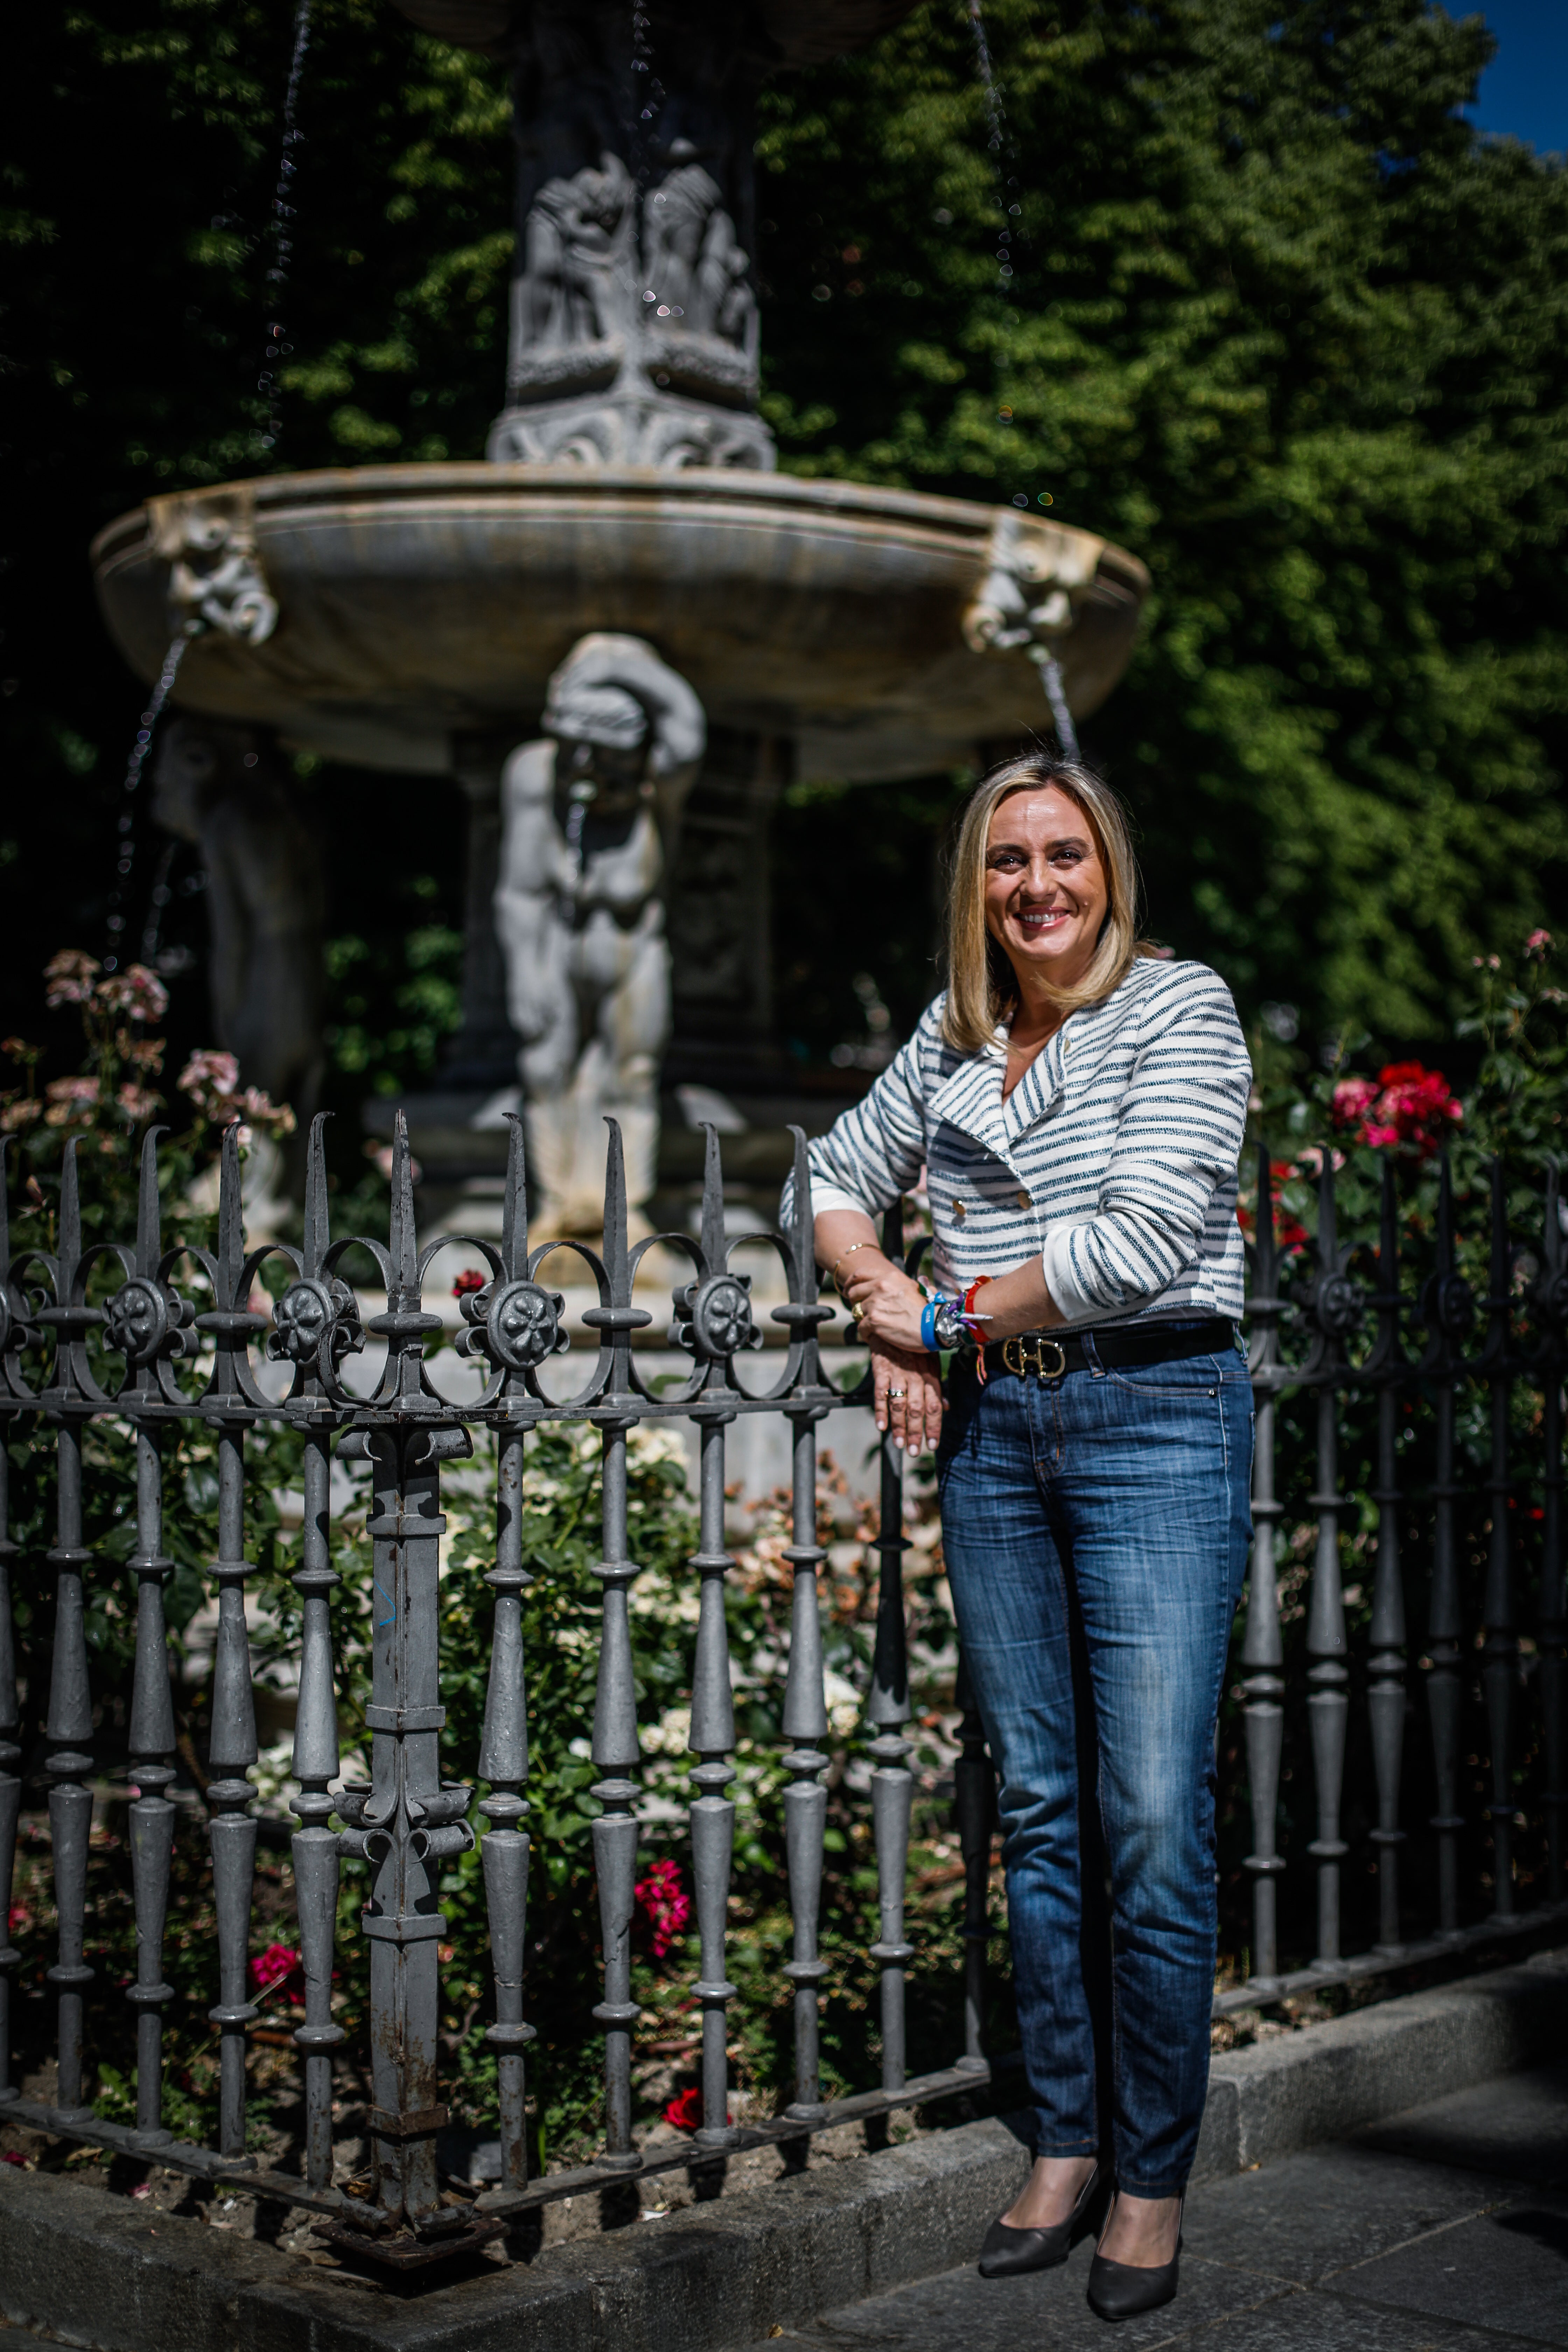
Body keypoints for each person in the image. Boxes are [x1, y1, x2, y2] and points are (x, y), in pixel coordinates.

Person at [797, 750, 1252, 2321]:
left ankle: (1149, 2176)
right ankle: (1062, 2141)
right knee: (1042, 1808)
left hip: (1152, 1417)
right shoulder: (954, 1034)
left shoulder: (1181, 1007)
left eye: (1064, 856)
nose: (1036, 887)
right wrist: (883, 1311)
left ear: (1108, 870)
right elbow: (828, 1178)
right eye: (1007, 862)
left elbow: (1129, 1249)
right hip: (995, 1438)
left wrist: (934, 1312)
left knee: (1143, 1814)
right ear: (974, 885)